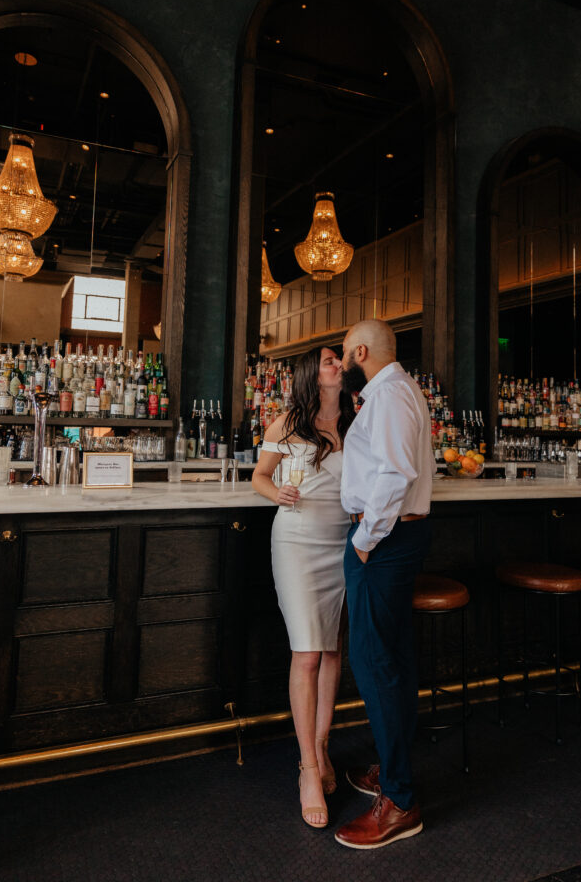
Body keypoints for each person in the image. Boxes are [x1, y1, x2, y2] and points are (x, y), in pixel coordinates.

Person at [334, 319, 436, 850]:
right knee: (390, 660)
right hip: (396, 540)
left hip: (385, 542)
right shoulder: (390, 392)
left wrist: (365, 540)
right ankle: (392, 772)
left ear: (361, 351)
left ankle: (399, 800)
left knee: (375, 664)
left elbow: (395, 474)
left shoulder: (391, 395)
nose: (344, 363)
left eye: (346, 355)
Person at [251, 346, 355, 829]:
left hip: (343, 543)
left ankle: (320, 745)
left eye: (339, 359)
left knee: (333, 649)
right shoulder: (287, 422)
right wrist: (279, 493)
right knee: (308, 653)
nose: (338, 364)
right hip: (296, 539)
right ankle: (307, 770)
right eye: (330, 359)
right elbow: (260, 477)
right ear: (314, 374)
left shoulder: (358, 422)